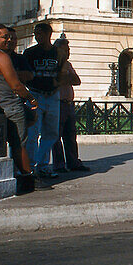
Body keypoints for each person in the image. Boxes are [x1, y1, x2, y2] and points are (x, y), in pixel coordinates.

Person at [0, 23, 50, 193]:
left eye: (9, 36)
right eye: (3, 37)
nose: (8, 39)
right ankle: (27, 177)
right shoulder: (1, 56)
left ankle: (16, 173)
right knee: (19, 144)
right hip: (11, 105)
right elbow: (16, 85)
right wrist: (32, 99)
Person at [23, 22, 63, 177]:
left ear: (48, 34)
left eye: (40, 33)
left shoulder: (57, 53)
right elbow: (25, 73)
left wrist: (57, 87)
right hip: (35, 94)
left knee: (50, 133)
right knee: (32, 133)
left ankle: (43, 165)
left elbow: (61, 72)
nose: (37, 36)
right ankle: (30, 166)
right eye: (35, 33)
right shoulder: (30, 53)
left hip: (53, 95)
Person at [51, 35, 88, 172]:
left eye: (68, 50)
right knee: (56, 136)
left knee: (71, 135)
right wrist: (65, 77)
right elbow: (57, 81)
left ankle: (73, 162)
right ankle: (59, 164)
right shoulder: (53, 64)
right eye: (65, 50)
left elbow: (77, 80)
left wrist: (66, 76)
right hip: (57, 103)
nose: (68, 53)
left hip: (68, 103)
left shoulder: (68, 65)